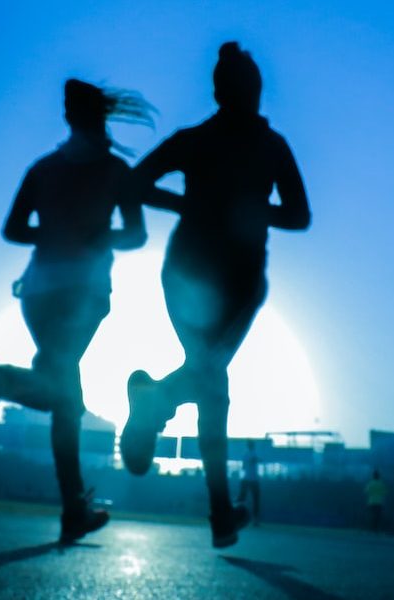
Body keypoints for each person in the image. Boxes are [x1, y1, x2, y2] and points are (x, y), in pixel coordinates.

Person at [117, 41, 312, 549]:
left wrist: (209, 207)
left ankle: (154, 405)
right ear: (241, 91)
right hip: (213, 282)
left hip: (223, 286)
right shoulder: (255, 146)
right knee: (211, 381)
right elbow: (298, 215)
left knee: (209, 380)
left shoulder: (225, 142)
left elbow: (299, 215)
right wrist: (206, 206)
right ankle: (219, 510)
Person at [0, 79, 154, 543]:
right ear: (102, 117)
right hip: (84, 294)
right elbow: (137, 236)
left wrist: (53, 234)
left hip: (37, 292)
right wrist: (98, 237)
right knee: (65, 399)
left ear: (68, 118)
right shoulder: (117, 172)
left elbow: (13, 229)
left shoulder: (43, 168)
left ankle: (73, 506)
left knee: (65, 398)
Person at [237, 440, 262, 525]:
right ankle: (255, 520)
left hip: (246, 479)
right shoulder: (255, 453)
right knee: (256, 500)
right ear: (253, 445)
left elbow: (243, 467)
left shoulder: (245, 455)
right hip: (254, 479)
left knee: (242, 498)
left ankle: (238, 517)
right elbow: (257, 460)